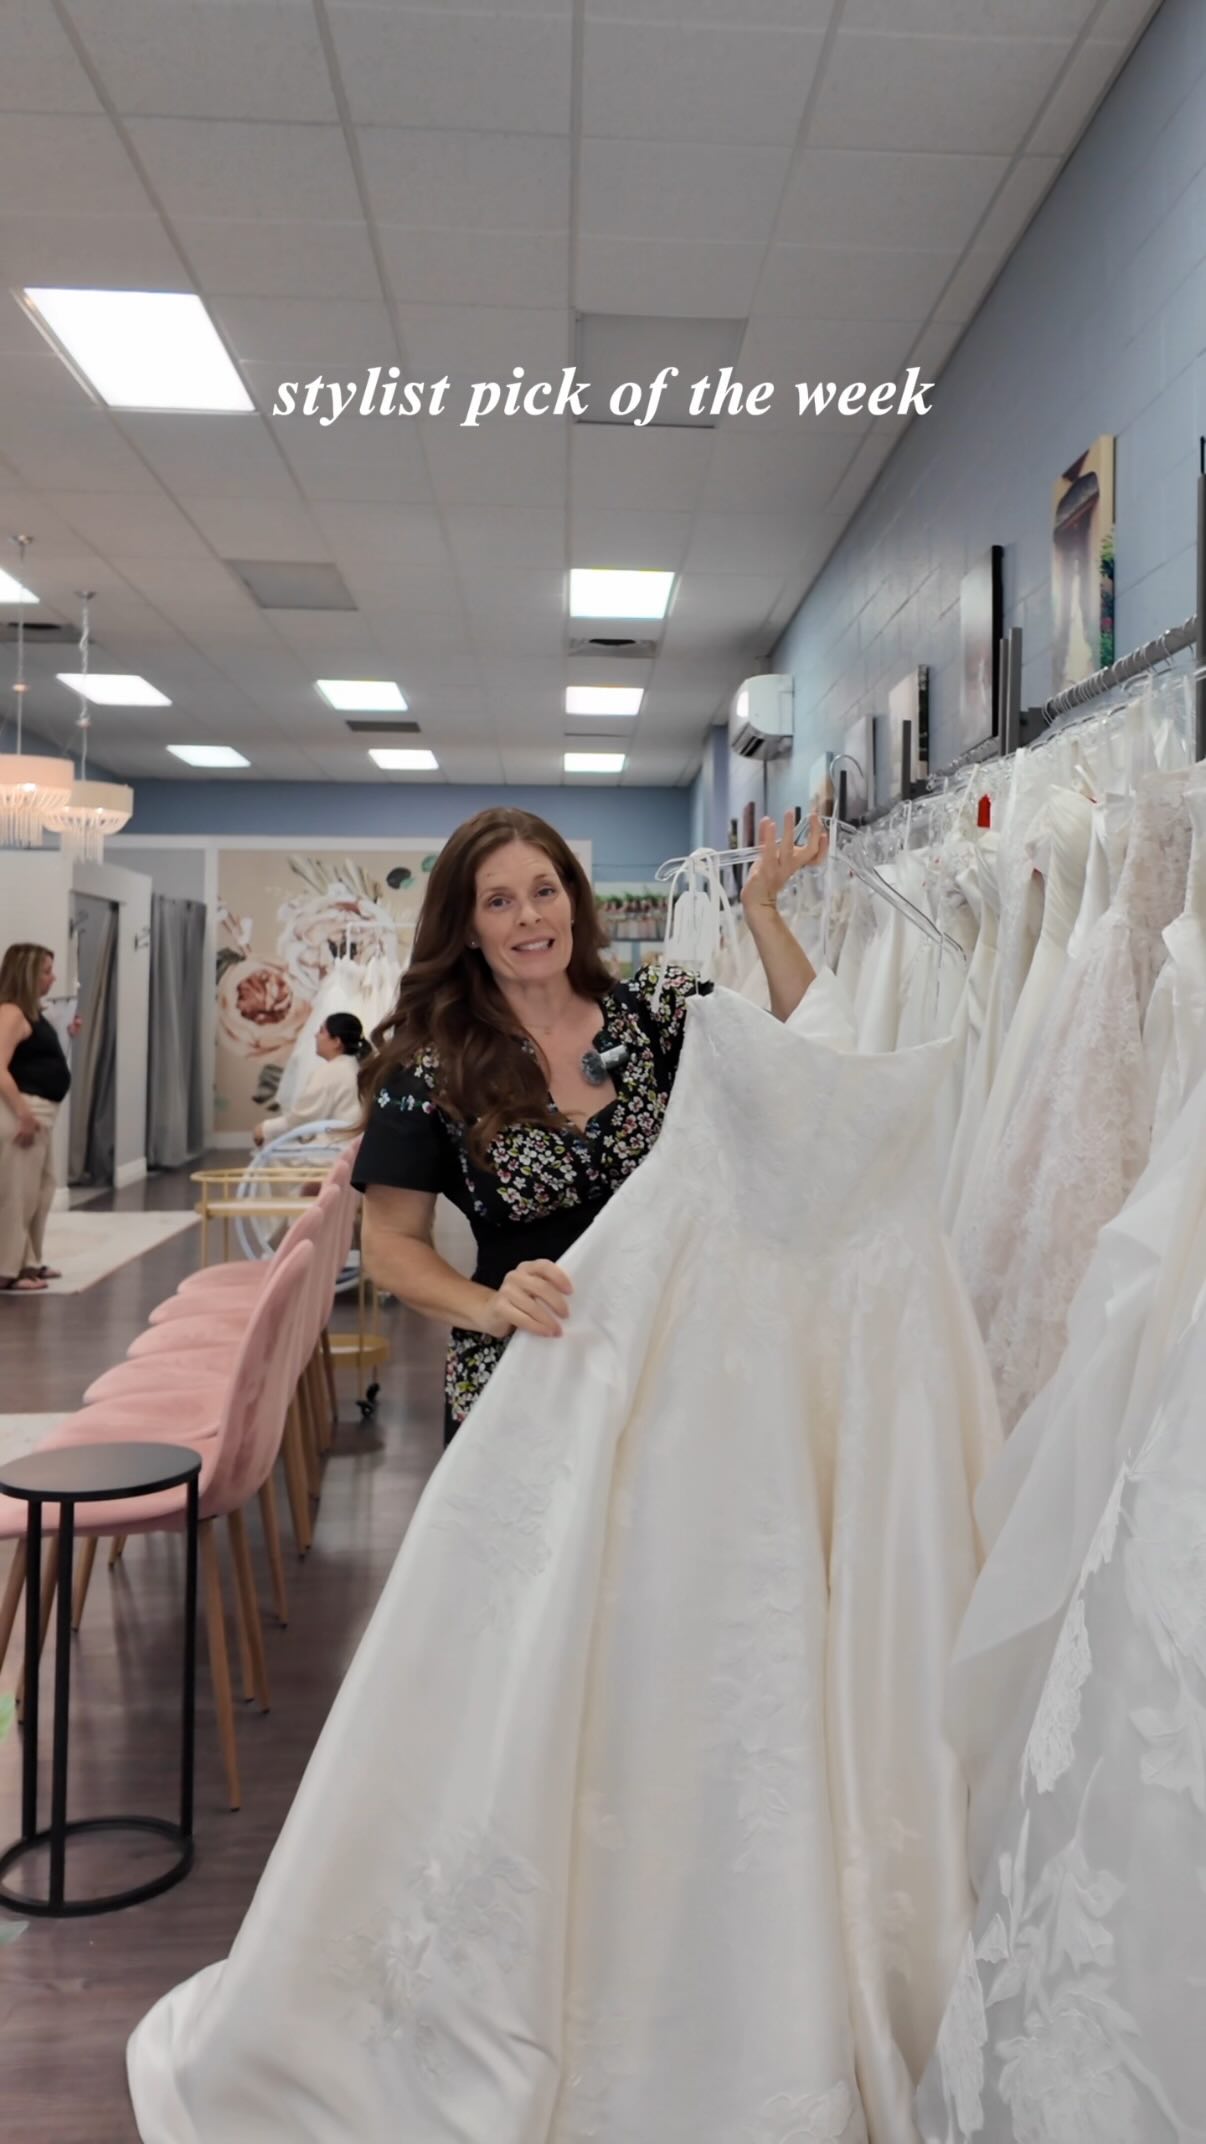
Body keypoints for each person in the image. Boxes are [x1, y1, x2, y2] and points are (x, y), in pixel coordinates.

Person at [352, 805, 822, 1443]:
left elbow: (806, 1054)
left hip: (673, 1361)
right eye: (498, 901)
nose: (529, 916)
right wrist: (485, 1306)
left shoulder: (660, 1012)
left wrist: (762, 910)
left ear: (572, 900)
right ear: (466, 929)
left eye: (545, 890)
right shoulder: (430, 1070)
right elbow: (390, 1243)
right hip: (526, 1372)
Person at [0, 942, 79, 1294]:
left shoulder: (33, 1014)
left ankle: (28, 1261)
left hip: (41, 1112)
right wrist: (22, 1112)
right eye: (46, 971)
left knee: (40, 1191)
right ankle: (8, 1268)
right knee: (17, 1193)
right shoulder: (11, 1013)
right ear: (28, 973)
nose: (53, 977)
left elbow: (36, 1057)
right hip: (23, 1112)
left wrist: (67, 1035)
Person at [253, 1011, 370, 1149]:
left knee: (270, 1155)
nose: (316, 1035)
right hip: (350, 1144)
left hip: (334, 1148)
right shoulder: (353, 1066)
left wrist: (264, 1128)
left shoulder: (331, 1072)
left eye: (321, 1031)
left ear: (336, 1042)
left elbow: (302, 1117)